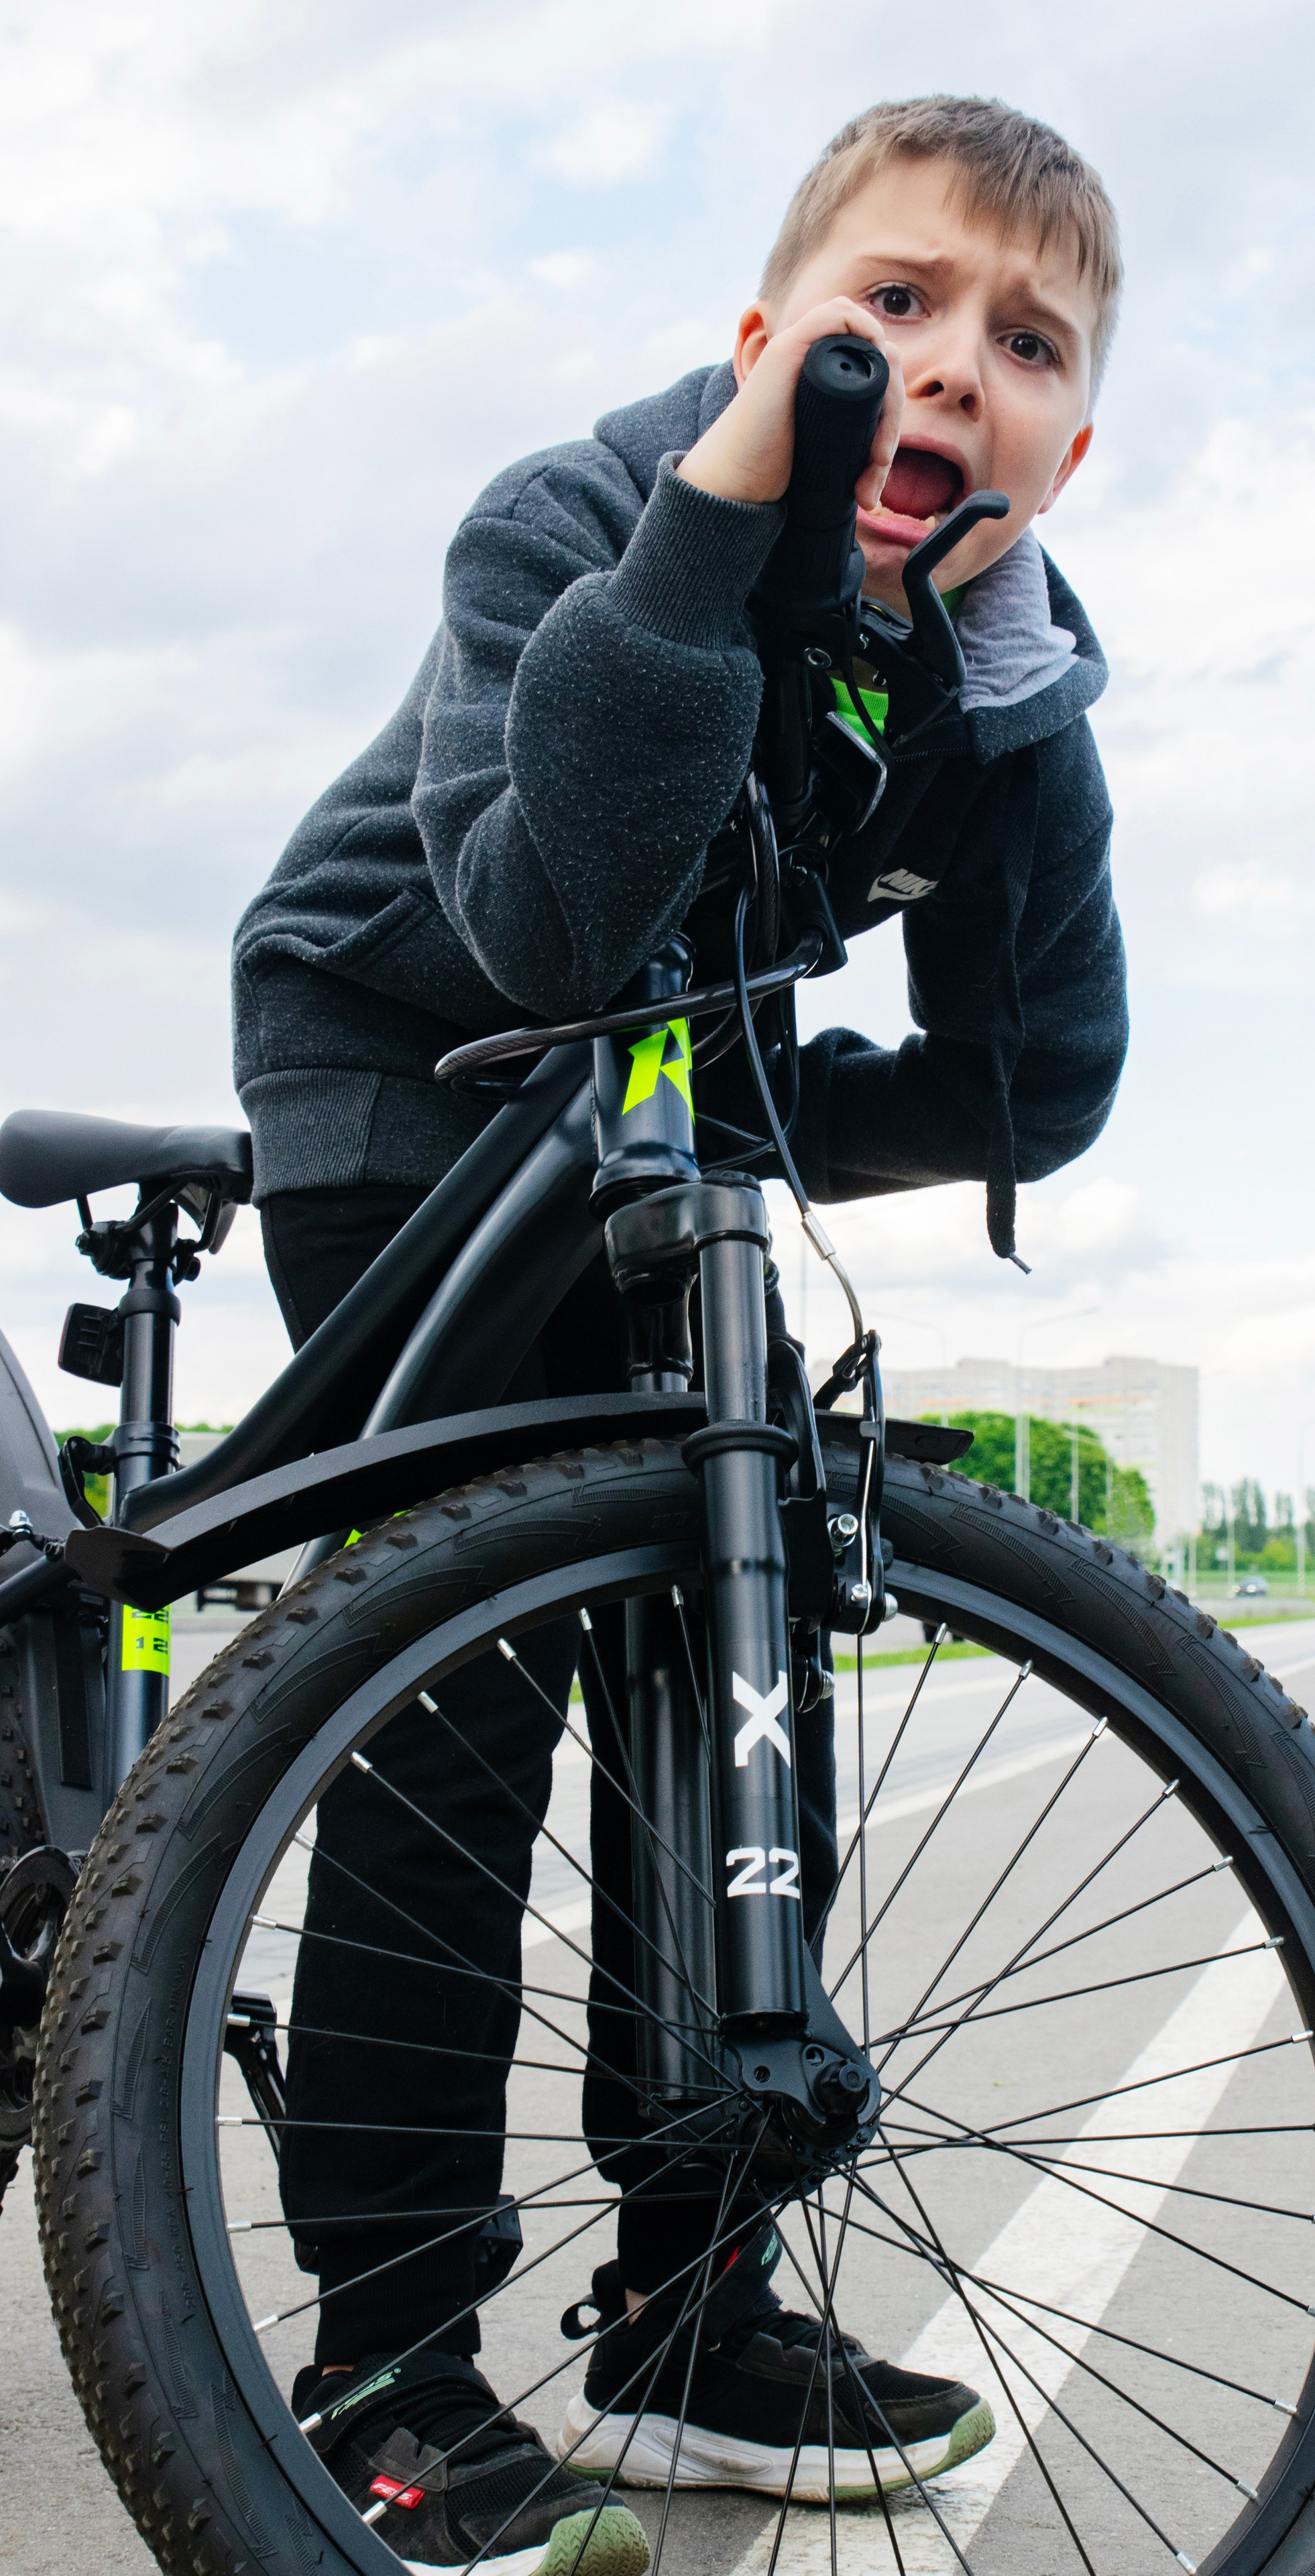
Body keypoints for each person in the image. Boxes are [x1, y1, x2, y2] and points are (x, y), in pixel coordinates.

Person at [233, 91, 1127, 2569]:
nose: (949, 369)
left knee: (735, 1640)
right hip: (405, 1047)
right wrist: (717, 525)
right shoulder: (567, 521)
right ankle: (389, 2367)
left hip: (658, 1079)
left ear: (1074, 441)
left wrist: (1025, 703)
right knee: (463, 1672)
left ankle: (695, 2308)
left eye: (1024, 343)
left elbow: (1028, 1078)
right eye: (895, 308)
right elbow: (540, 917)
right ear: (762, 340)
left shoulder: (972, 663)